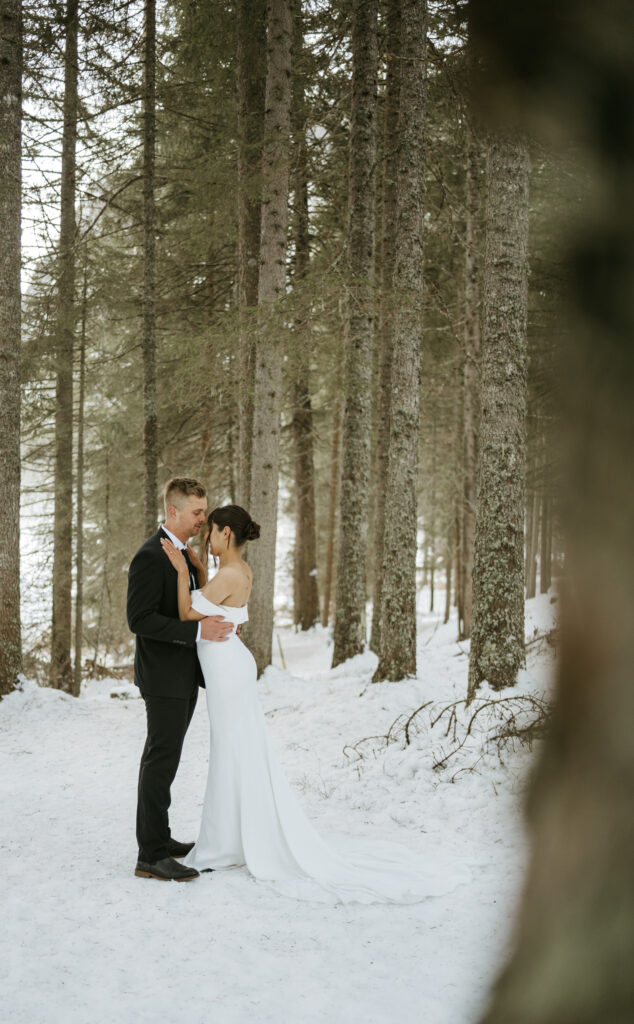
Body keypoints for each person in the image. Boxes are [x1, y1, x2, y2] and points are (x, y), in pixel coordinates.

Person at [161, 503, 463, 903]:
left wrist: (183, 572)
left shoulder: (231, 573)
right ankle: (230, 837)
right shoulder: (234, 571)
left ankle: (228, 842)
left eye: (212, 531)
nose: (207, 537)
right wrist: (199, 572)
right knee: (235, 751)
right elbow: (207, 601)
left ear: (226, 534)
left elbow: (186, 610)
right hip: (229, 667)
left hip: (228, 672)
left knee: (235, 751)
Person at [127, 478, 234, 882]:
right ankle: (150, 855)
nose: (203, 520)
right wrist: (197, 633)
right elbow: (139, 619)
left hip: (184, 675)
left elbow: (191, 603)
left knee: (166, 761)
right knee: (159, 761)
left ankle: (162, 838)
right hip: (163, 677)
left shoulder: (184, 555)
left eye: (204, 512)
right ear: (173, 511)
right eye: (197, 513)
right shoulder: (150, 556)